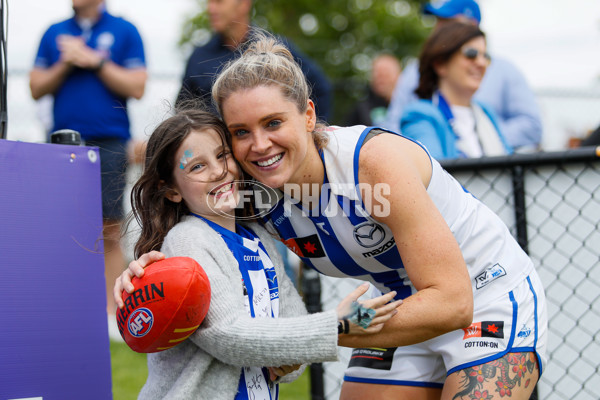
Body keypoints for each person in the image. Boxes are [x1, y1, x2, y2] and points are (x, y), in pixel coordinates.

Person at [125, 32, 548, 399]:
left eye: (273, 122)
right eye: (240, 132)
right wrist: (144, 275)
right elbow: (200, 238)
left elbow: (453, 304)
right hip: (392, 305)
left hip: (482, 296)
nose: (259, 145)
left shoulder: (372, 165)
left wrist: (339, 329)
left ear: (308, 115)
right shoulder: (252, 193)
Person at [114, 107, 401, 399]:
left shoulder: (260, 237)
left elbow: (291, 339)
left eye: (222, 155)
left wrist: (292, 358)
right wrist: (336, 326)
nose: (218, 171)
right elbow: (227, 335)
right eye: (196, 167)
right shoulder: (188, 240)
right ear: (172, 190)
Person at [29, 0, 147, 339]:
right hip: (61, 143)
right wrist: (67, 62)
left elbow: (137, 86)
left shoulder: (125, 30)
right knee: (61, 230)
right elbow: (36, 87)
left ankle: (112, 317)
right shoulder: (54, 33)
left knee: (109, 228)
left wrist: (95, 61)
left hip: (109, 142)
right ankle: (65, 312)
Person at [382, 0, 543, 152]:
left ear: (471, 25)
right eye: (438, 21)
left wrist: (477, 139)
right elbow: (394, 126)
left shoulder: (486, 112)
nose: (438, 28)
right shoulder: (417, 102)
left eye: (448, 22)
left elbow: (531, 125)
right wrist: (455, 137)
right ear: (440, 64)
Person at [175, 0, 332, 121]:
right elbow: (183, 111)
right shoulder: (198, 57)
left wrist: (312, 132)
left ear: (244, 4)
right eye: (209, 2)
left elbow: (321, 87)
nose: (211, 9)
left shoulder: (275, 48)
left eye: (219, 2)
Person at [399, 22, 512, 160]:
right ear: (440, 64)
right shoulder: (420, 115)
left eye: (485, 56)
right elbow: (434, 176)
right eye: (471, 54)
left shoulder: (486, 112)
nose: (481, 63)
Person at [344, 53, 402, 127]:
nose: (381, 80)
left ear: (399, 77)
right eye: (378, 75)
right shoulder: (361, 110)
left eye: (386, 75)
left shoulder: (408, 107)